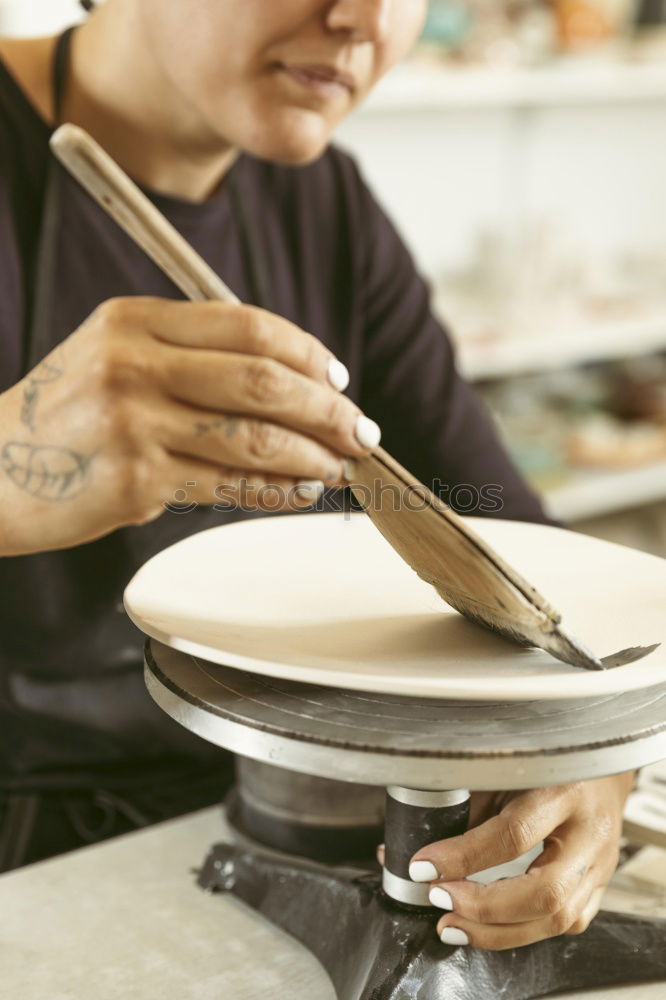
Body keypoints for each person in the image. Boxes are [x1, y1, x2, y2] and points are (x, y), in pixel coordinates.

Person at [0, 0, 635, 951]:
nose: (364, 18)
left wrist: (589, 750)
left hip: (268, 825)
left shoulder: (327, 205)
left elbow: (505, 530)